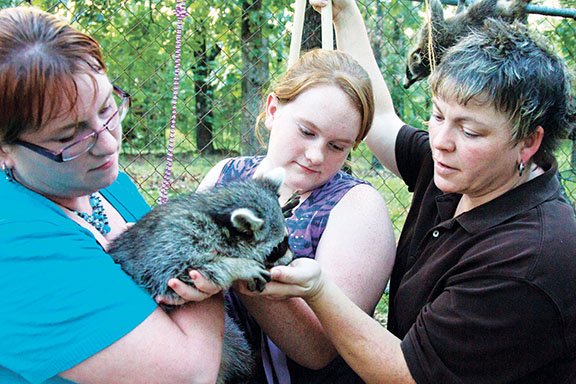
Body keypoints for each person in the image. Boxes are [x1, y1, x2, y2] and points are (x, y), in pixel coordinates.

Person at [254, 0, 576, 383]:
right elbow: (383, 122)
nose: (441, 141)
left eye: (469, 131)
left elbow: (406, 375)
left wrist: (319, 290)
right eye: (438, 114)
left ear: (527, 143)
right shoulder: (464, 173)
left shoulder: (531, 257)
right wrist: (345, 13)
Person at [0, 7, 224, 384]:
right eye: (68, 137)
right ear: (4, 149)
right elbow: (190, 374)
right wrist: (210, 264)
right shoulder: (15, 241)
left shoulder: (105, 184)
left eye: (107, 108)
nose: (106, 144)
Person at [196, 48, 396, 383]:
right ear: (273, 109)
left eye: (337, 146)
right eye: (306, 131)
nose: (316, 155)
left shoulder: (357, 206)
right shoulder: (225, 175)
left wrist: (239, 268)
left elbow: (318, 350)